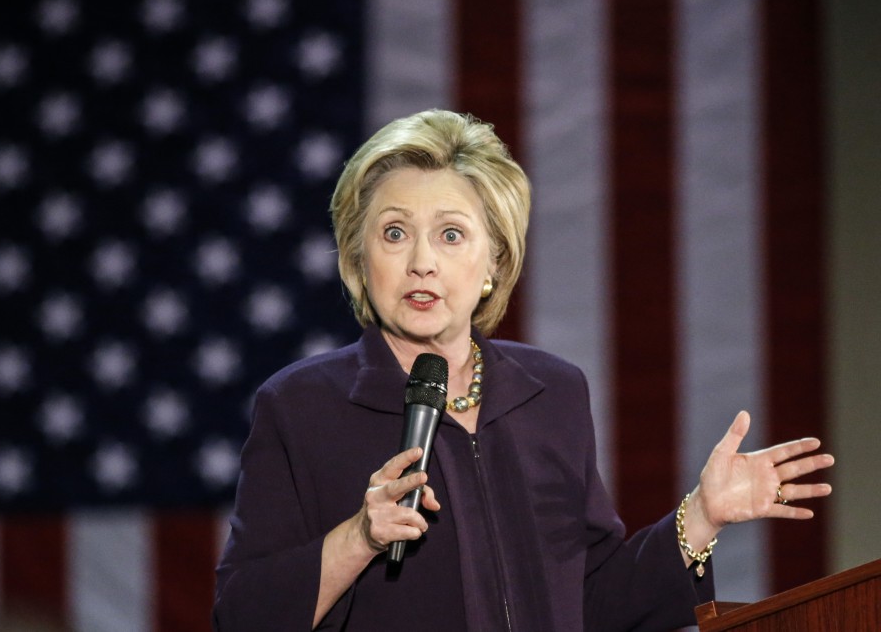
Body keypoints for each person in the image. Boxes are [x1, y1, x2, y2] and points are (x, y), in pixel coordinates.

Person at [212, 109, 834, 631]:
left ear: (494, 262)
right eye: (395, 233)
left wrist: (701, 515)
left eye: (451, 235)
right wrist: (360, 538)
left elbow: (588, 601)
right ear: (358, 258)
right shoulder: (301, 406)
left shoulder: (551, 393)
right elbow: (241, 614)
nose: (422, 261)